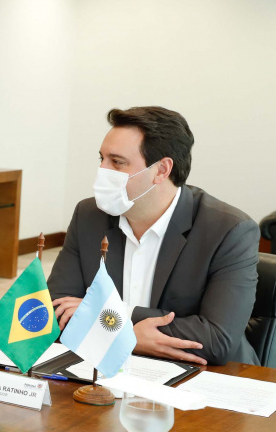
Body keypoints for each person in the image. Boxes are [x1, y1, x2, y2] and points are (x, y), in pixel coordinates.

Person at [48, 106, 259, 366]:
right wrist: (129, 336)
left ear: (161, 170)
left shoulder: (228, 230)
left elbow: (216, 339)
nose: (102, 170)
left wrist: (121, 327)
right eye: (101, 159)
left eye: (117, 162)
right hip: (108, 367)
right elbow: (57, 310)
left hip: (209, 377)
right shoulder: (89, 215)